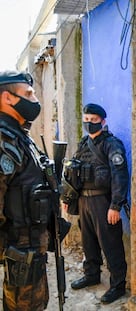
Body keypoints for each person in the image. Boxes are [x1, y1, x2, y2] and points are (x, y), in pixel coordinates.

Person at [61, 103, 129, 304]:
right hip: (83, 200)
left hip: (103, 200)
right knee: (88, 241)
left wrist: (115, 205)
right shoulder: (83, 144)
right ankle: (92, 275)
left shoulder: (112, 144)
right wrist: (68, 199)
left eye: (94, 120)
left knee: (111, 244)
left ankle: (118, 285)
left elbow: (120, 176)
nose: (89, 123)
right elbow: (73, 172)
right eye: (87, 119)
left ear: (103, 121)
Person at [0, 70, 49, 310]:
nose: (35, 99)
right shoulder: (4, 141)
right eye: (28, 93)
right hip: (19, 250)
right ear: (7, 98)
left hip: (32, 247)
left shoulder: (21, 137)